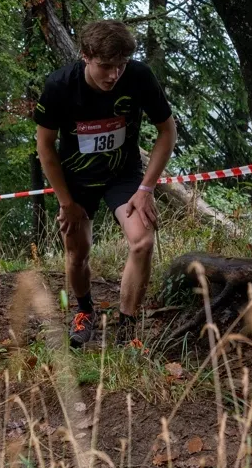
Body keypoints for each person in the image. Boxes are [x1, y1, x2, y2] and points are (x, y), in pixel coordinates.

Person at [34, 20, 176, 349]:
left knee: (142, 241)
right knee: (77, 253)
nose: (113, 75)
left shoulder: (139, 78)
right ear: (85, 56)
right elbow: (45, 146)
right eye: (106, 66)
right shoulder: (59, 86)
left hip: (122, 175)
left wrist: (146, 189)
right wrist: (65, 202)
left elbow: (167, 131)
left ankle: (127, 324)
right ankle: (84, 312)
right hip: (76, 181)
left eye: (120, 66)